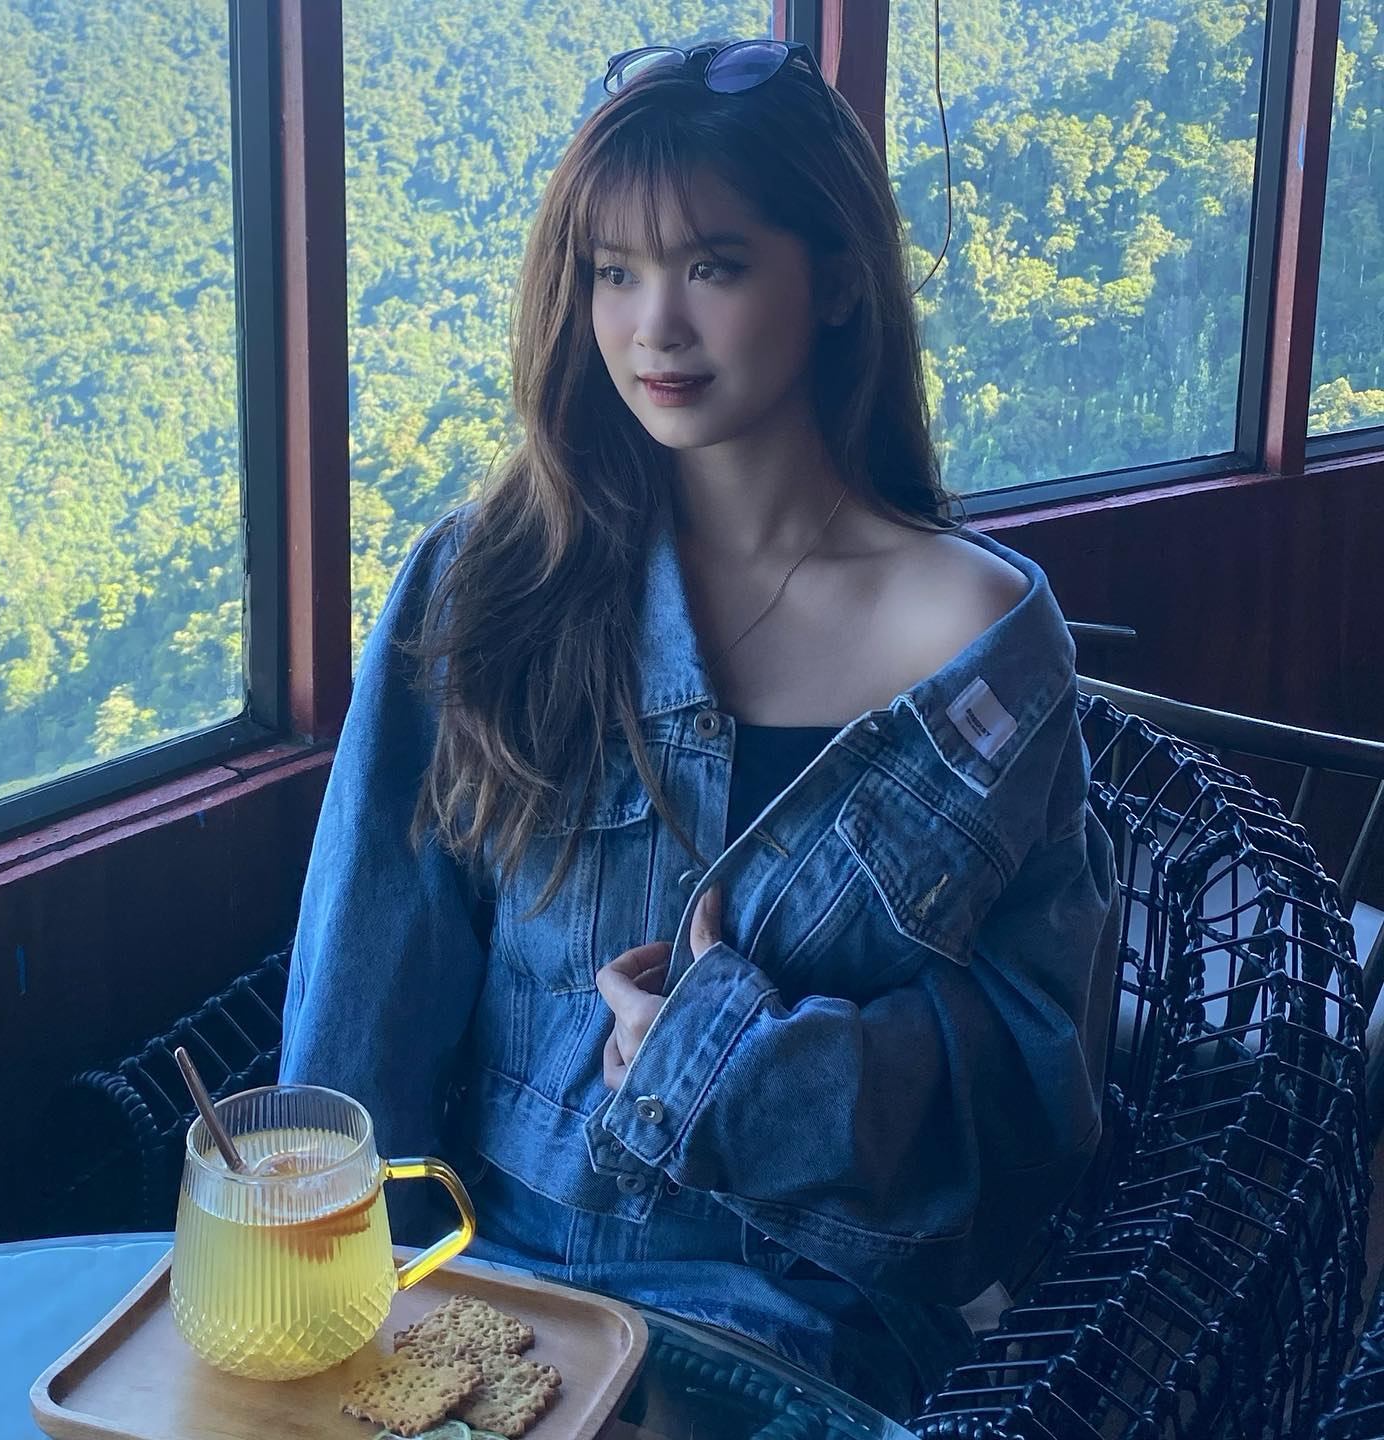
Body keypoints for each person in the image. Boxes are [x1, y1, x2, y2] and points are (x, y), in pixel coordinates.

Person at [281, 37, 1122, 1422]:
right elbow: (371, 973)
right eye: (613, 271)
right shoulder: (492, 581)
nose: (652, 326)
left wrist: (743, 1068)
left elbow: (1037, 1084)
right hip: (481, 1274)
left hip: (796, 1308)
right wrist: (323, 1286)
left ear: (836, 280)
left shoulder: (979, 645)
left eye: (713, 266)